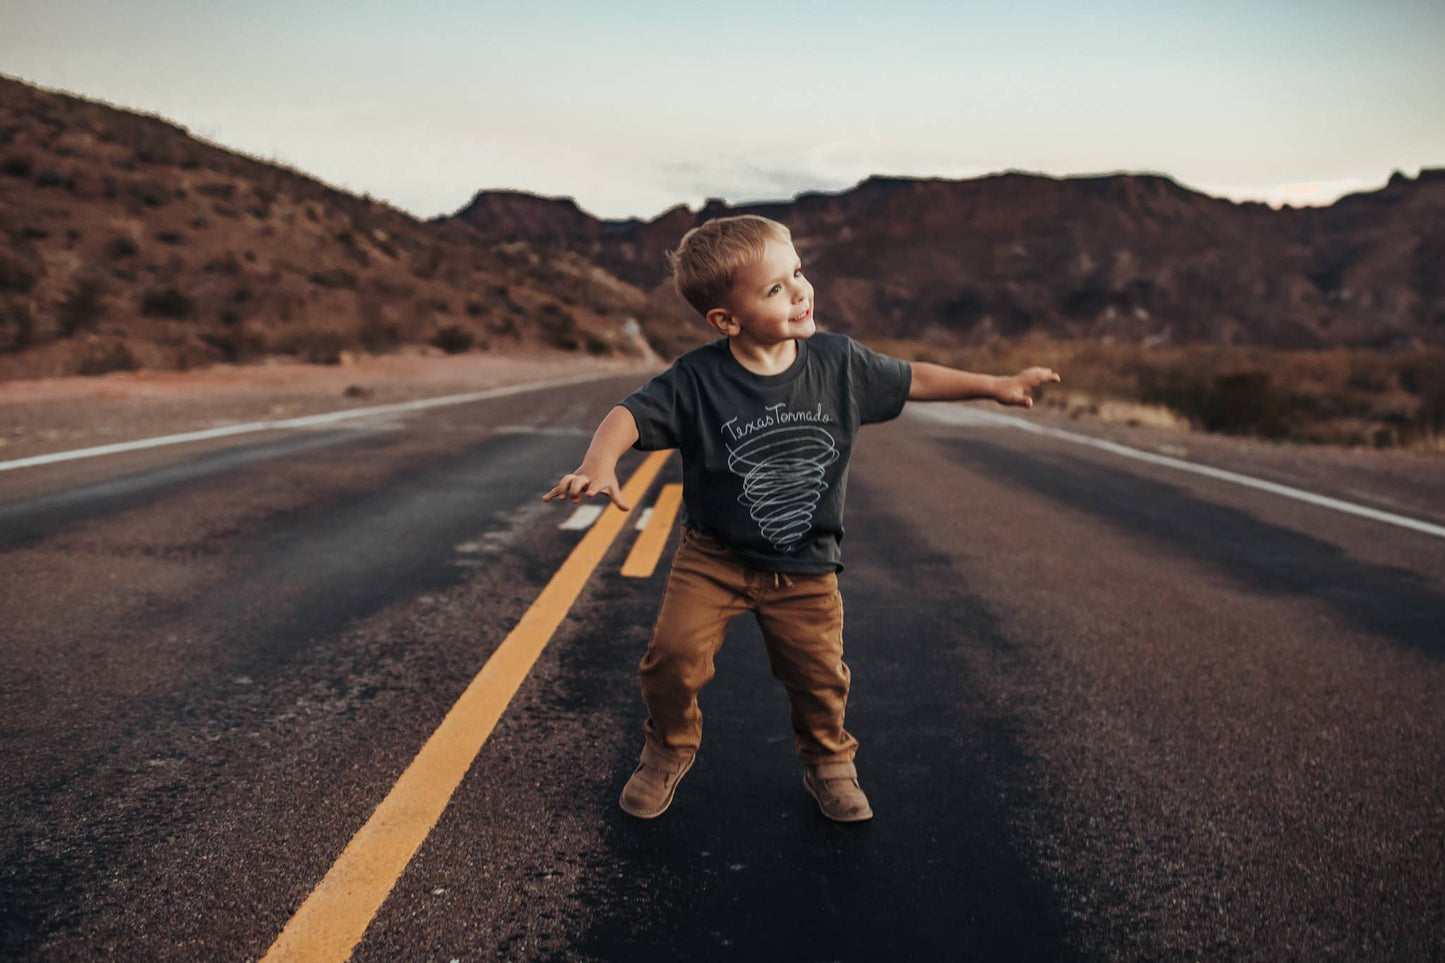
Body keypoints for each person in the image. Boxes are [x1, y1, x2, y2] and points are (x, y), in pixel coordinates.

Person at [543, 214, 1060, 822]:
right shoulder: (698, 380)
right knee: (671, 659)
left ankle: (829, 762)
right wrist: (599, 462)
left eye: (797, 273)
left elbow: (914, 377)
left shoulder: (839, 364)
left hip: (807, 564)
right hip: (715, 558)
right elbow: (628, 414)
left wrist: (993, 384)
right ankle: (667, 748)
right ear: (726, 320)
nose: (799, 291)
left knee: (818, 677)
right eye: (775, 289)